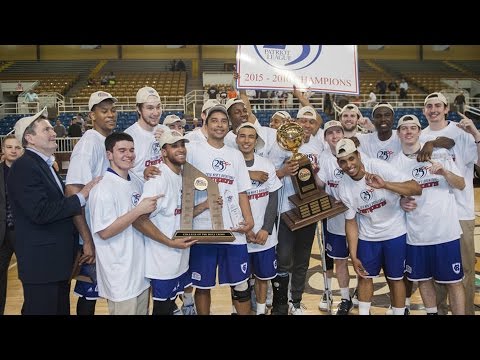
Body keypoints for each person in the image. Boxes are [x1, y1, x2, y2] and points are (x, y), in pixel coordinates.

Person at [7, 107, 100, 315]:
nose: (53, 133)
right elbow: (40, 212)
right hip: (42, 265)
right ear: (29, 138)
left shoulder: (42, 165)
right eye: (46, 130)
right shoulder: (25, 166)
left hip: (54, 263)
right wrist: (80, 196)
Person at [335, 138, 422, 315]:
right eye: (343, 161)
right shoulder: (343, 186)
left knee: (396, 279)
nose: (348, 165)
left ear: (358, 156)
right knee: (364, 277)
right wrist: (353, 254)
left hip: (395, 233)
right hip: (369, 237)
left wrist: (385, 185)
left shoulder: (378, 166)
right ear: (338, 163)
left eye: (351, 159)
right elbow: (350, 221)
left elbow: (416, 188)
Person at [392, 114, 465, 315]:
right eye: (404, 128)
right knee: (423, 279)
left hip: (445, 232)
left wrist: (445, 173)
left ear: (419, 131)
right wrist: (401, 200)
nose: (408, 132)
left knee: (454, 282)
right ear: (398, 134)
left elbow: (461, 184)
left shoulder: (439, 154)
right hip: (416, 235)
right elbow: (393, 198)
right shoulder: (394, 164)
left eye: (413, 128)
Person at [186, 105, 254, 315]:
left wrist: (249, 220)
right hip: (203, 230)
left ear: (228, 126)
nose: (219, 125)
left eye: (223, 121)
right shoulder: (193, 150)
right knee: (203, 286)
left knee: (241, 286)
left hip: (233, 230)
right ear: (205, 124)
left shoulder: (235, 155)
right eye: (214, 120)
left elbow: (242, 191)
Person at [421, 92, 479, 315]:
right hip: (432, 215)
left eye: (438, 106)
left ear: (446, 109)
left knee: (464, 270)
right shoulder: (420, 134)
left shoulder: (460, 131)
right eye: (429, 106)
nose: (433, 110)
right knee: (436, 273)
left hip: (460, 211)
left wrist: (475, 133)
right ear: (424, 111)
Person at [88, 132, 157, 315]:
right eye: (122, 150)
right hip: (119, 274)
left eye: (132, 150)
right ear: (109, 154)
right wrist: (138, 211)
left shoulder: (135, 180)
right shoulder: (103, 189)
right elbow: (104, 231)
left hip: (140, 271)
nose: (129, 154)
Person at [65, 90, 118, 315]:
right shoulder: (88, 143)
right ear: (92, 115)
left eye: (113, 110)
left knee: (100, 290)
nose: (111, 115)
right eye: (104, 111)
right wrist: (86, 239)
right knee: (89, 291)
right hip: (92, 233)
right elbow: (72, 191)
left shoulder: (106, 141)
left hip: (105, 230)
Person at [269, 105, 325, 315]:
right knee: (283, 258)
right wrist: (283, 171)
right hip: (286, 210)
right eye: (303, 121)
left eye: (311, 122)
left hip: (309, 209)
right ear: (296, 122)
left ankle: (296, 300)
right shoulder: (280, 145)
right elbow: (269, 175)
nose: (307, 125)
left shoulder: (319, 145)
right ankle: (281, 302)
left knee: (302, 258)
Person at [135, 130, 198, 315]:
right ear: (163, 152)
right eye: (174, 145)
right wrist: (170, 242)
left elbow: (177, 213)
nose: (181, 149)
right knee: (162, 309)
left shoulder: (180, 175)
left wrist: (206, 205)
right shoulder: (158, 178)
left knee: (170, 308)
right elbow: (138, 219)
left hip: (178, 259)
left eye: (182, 145)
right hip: (161, 262)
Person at [235, 123, 282, 315]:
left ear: (256, 141)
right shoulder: (230, 163)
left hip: (264, 235)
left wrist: (266, 229)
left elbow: (273, 198)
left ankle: (261, 311)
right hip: (240, 234)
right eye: (242, 136)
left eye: (250, 137)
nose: (246, 140)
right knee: (239, 279)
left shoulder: (266, 164)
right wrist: (244, 230)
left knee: (264, 277)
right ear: (237, 139)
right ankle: (238, 310)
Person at [316, 120, 354, 315]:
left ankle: (364, 299)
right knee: (339, 260)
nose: (335, 136)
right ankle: (346, 298)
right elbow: (319, 187)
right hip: (336, 219)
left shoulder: (356, 153)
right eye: (330, 133)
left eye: (338, 132)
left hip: (360, 219)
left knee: (361, 259)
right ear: (325, 138)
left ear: (343, 134)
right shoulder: (324, 159)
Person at [0, 135, 23, 314]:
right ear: (3, 150)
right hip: (3, 234)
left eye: (16, 147)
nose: (13, 150)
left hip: (23, 233)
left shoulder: (27, 171)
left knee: (28, 277)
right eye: (9, 147)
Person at [124, 86, 166, 183]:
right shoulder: (128, 137)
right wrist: (144, 174)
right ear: (139, 109)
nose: (156, 113)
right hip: (141, 194)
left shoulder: (165, 131)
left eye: (158, 107)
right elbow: (123, 174)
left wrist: (166, 143)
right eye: (150, 108)